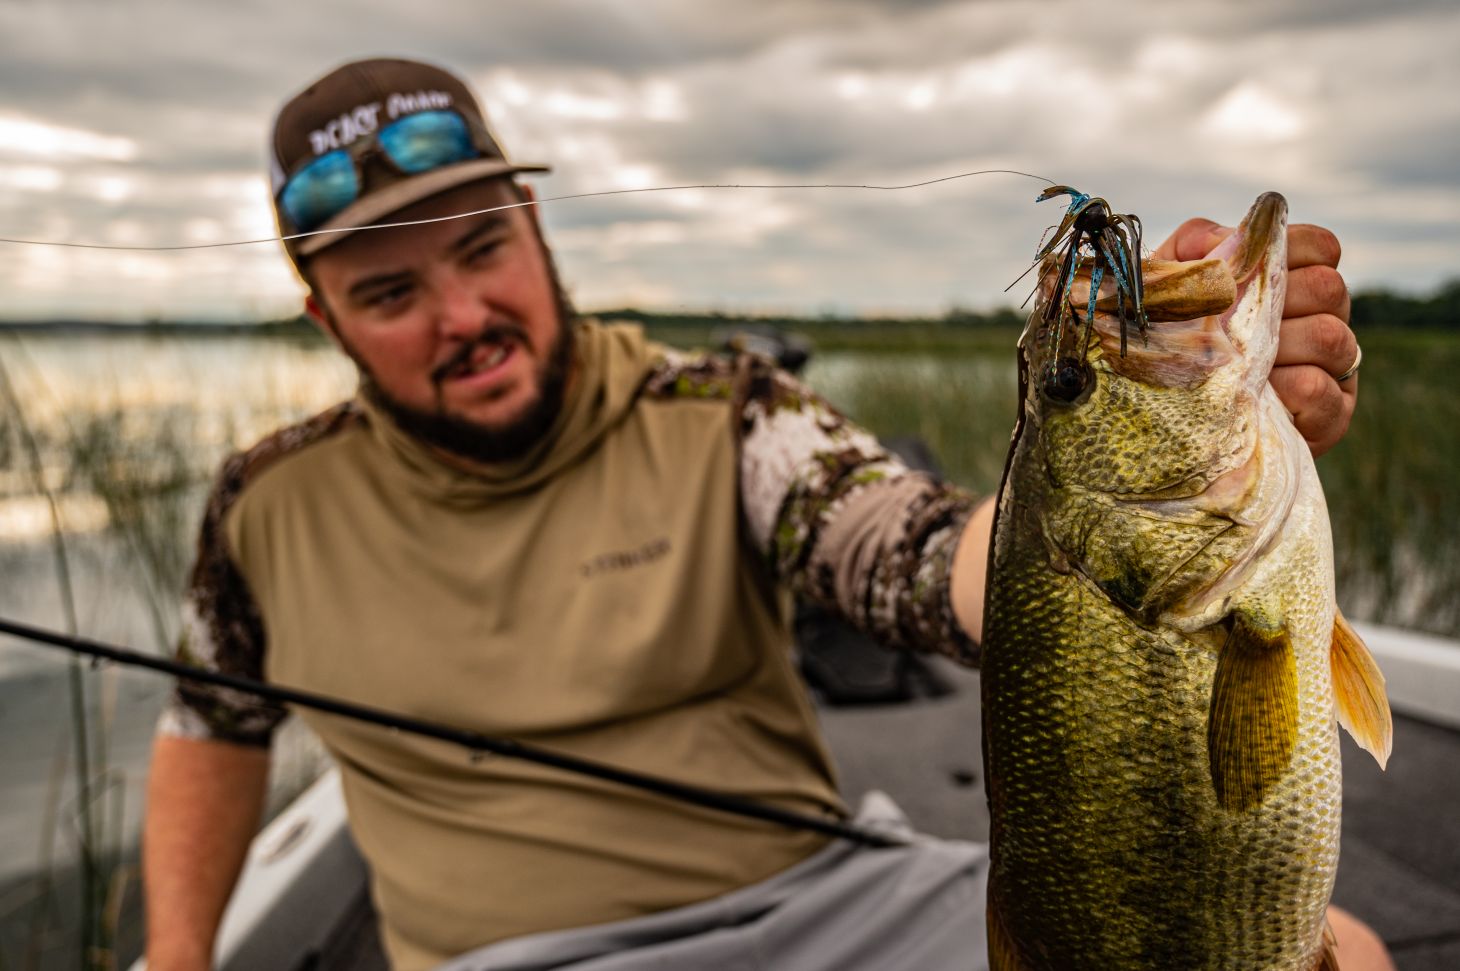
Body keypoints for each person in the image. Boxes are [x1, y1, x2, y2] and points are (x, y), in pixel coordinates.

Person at [140, 57, 1389, 971]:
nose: (459, 314)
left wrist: (1132, 500)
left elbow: (910, 551)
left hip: (829, 897)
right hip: (506, 952)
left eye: (478, 249)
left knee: (1337, 945)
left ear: (533, 228)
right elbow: (210, 725)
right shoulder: (265, 506)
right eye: (390, 288)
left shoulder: (722, 410)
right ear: (325, 317)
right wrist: (178, 954)